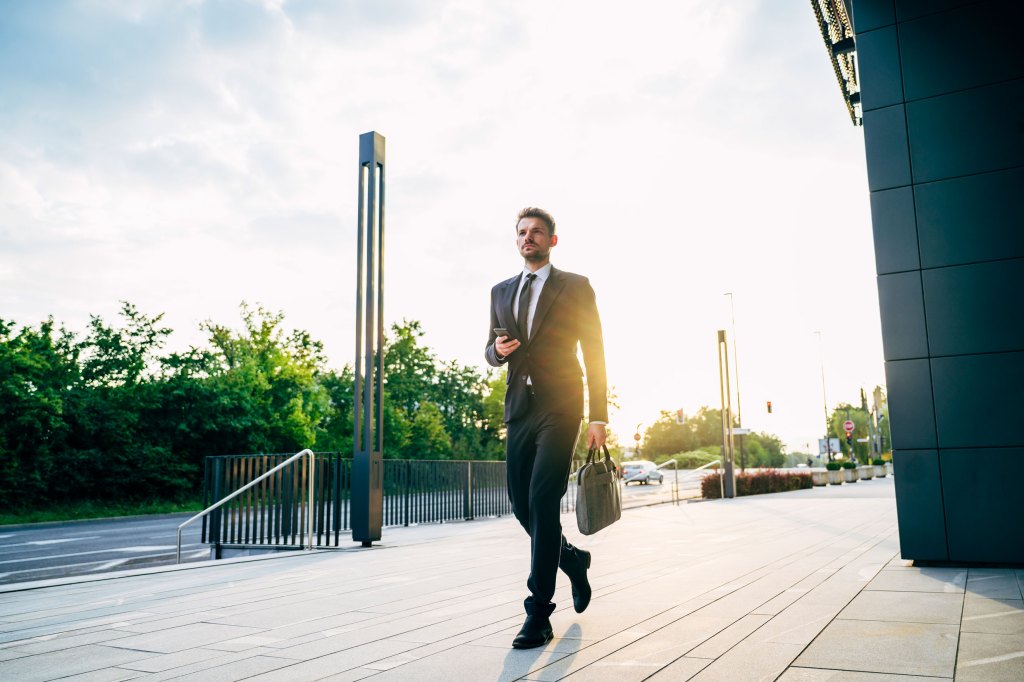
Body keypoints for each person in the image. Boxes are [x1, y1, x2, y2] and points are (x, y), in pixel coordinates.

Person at [485, 206, 608, 649]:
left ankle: (538, 614)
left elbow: (594, 349)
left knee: (542, 499)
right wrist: (497, 350)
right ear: (516, 240)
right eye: (521, 232)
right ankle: (572, 560)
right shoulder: (501, 291)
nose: (528, 237)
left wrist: (599, 415)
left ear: (552, 240)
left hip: (562, 405)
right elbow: (491, 348)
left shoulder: (575, 286)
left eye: (536, 232)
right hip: (520, 407)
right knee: (521, 506)